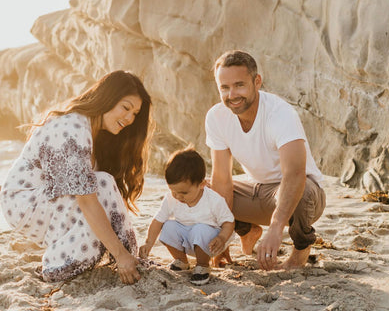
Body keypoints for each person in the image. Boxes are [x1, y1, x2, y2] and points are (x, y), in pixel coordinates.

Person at [0, 70, 152, 284]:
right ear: (107, 99)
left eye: (135, 114)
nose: (129, 118)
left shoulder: (94, 131)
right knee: (103, 185)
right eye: (126, 108)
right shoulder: (71, 128)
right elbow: (87, 201)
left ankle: (128, 257)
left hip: (49, 197)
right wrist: (119, 254)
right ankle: (56, 265)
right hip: (23, 201)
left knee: (103, 190)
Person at [205, 50, 326, 271]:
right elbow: (222, 178)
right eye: (224, 87)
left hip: (302, 195)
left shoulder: (280, 114)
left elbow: (295, 174)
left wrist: (276, 228)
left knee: (304, 190)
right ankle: (247, 230)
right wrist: (221, 240)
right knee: (204, 189)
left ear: (257, 81)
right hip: (257, 190)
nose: (232, 94)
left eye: (239, 85)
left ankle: (299, 255)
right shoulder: (216, 117)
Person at [138, 148, 234, 285]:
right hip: (187, 239)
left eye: (183, 193)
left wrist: (222, 238)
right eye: (173, 191)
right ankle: (181, 261)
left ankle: (203, 265)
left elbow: (229, 222)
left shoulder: (213, 200)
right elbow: (157, 220)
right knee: (167, 226)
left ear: (202, 184)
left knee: (200, 229)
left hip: (210, 242)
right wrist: (148, 242)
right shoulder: (172, 198)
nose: (177, 196)